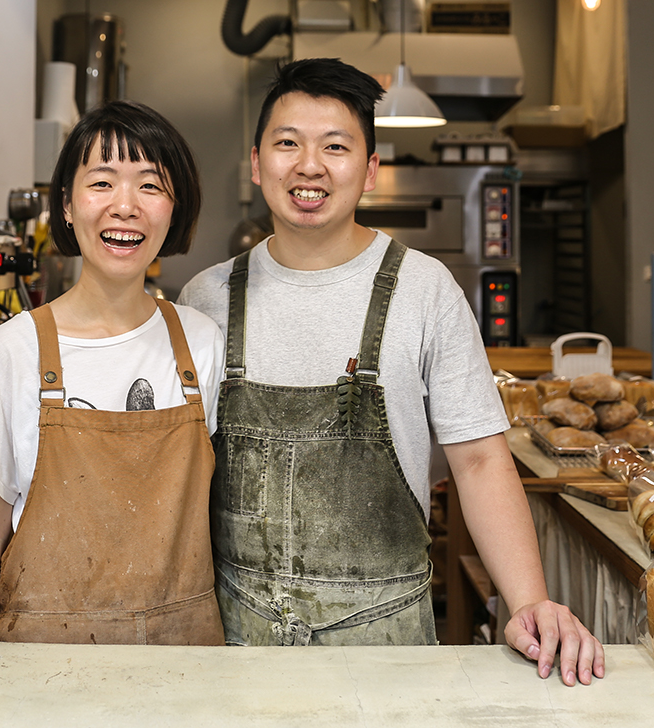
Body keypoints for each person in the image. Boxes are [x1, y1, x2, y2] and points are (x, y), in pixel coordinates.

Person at [178, 58, 604, 684]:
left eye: (336, 146)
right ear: (255, 162)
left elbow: (481, 460)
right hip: (239, 647)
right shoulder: (206, 300)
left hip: (389, 653)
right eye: (287, 143)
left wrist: (529, 603)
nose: (309, 166)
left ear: (371, 170)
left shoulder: (424, 289)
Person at [0, 100, 226, 645]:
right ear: (67, 207)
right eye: (102, 183)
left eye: (150, 185)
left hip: (183, 657)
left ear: (174, 208)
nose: (125, 206)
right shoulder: (10, 352)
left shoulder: (201, 342)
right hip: (42, 663)